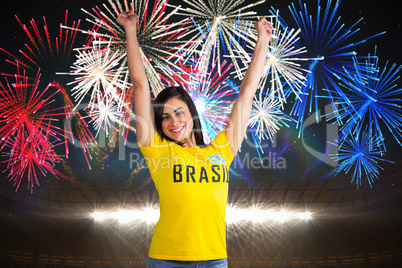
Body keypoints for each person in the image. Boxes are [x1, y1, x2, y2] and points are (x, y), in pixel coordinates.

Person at [117, 11, 272, 268]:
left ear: (192, 114)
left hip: (214, 259)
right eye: (165, 117)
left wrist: (263, 41)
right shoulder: (157, 150)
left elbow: (247, 93)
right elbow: (140, 84)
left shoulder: (222, 149)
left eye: (179, 113)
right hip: (167, 259)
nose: (173, 122)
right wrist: (130, 31)